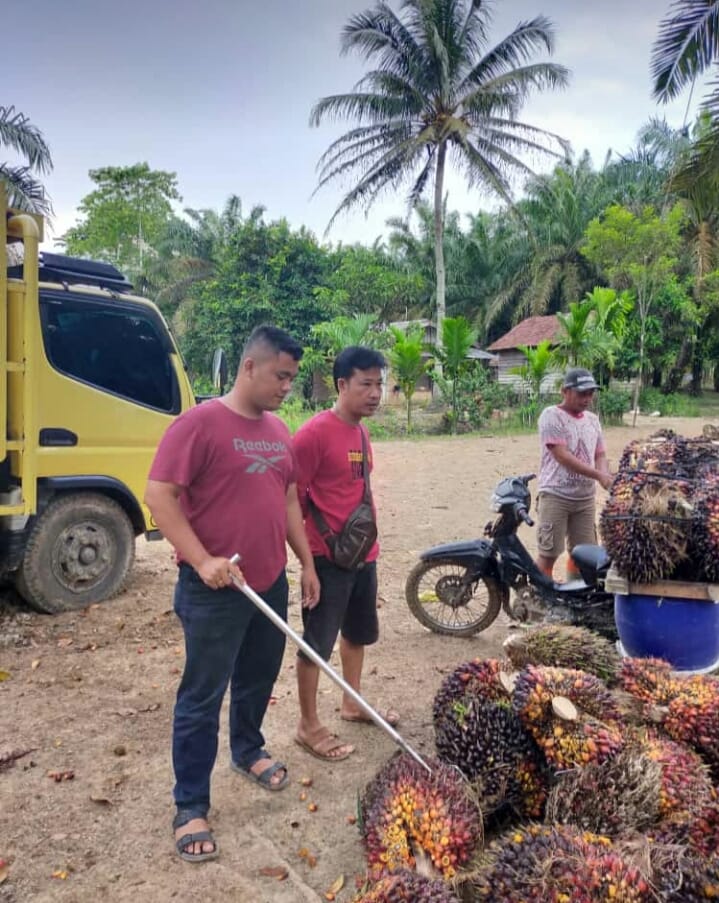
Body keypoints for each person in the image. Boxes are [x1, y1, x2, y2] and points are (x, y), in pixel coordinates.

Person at [144, 324, 320, 864]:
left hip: (269, 583)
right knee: (202, 696)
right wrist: (202, 559)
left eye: (292, 378)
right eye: (280, 376)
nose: (286, 386)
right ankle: (190, 804)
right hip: (216, 589)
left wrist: (305, 562)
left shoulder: (278, 430)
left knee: (257, 679)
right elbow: (160, 495)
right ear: (250, 367)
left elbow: (287, 499)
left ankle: (247, 750)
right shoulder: (198, 424)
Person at [293, 346, 398, 761]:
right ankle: (307, 724)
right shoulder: (313, 434)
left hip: (362, 555)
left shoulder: (361, 431)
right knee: (316, 643)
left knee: (356, 633)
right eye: (365, 384)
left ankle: (351, 702)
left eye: (379, 384)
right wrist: (306, 564)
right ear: (341, 385)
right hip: (325, 559)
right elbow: (291, 502)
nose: (375, 393)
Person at [535, 367, 613, 581]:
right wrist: (599, 475)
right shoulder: (551, 416)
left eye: (590, 393)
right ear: (565, 391)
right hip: (556, 495)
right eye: (581, 393)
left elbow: (600, 453)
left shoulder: (593, 420)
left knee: (585, 554)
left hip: (584, 498)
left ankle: (575, 596)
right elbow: (563, 456)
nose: (587, 398)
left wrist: (604, 474)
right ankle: (539, 600)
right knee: (548, 553)